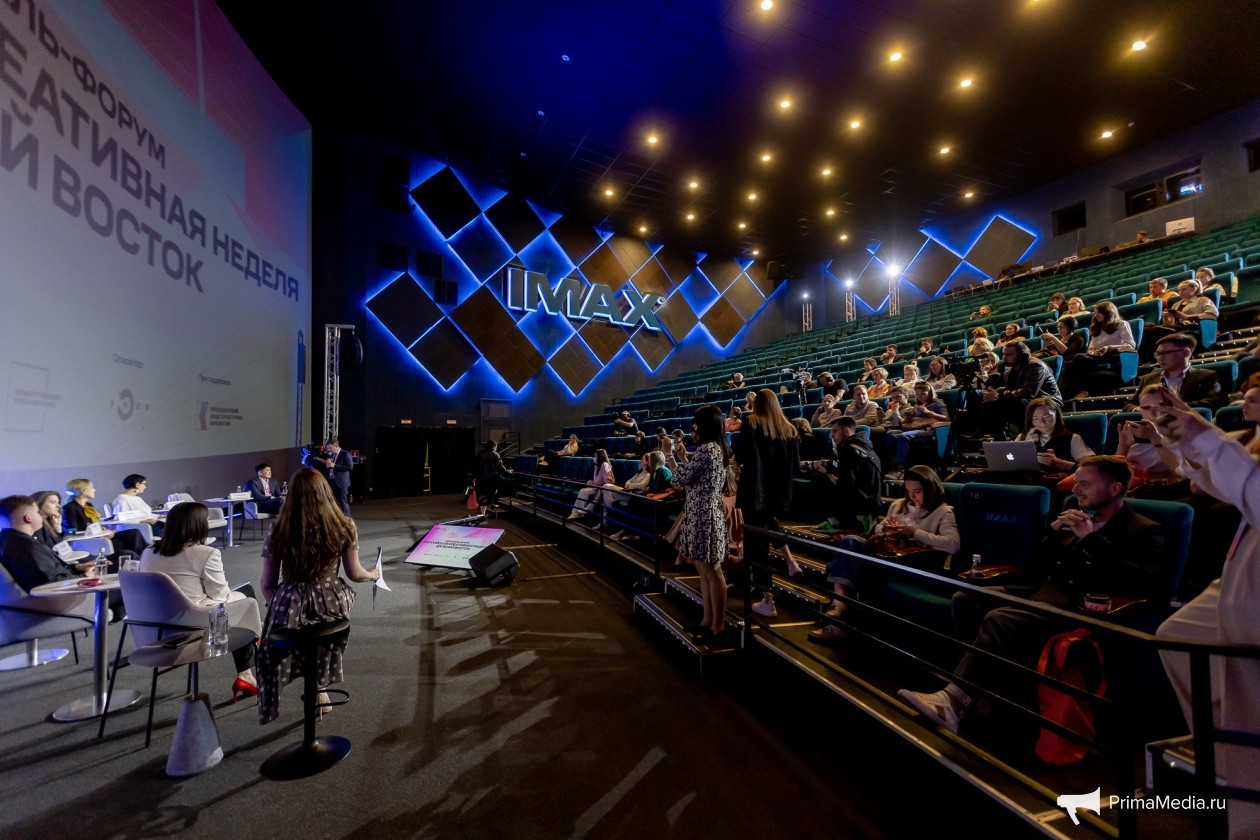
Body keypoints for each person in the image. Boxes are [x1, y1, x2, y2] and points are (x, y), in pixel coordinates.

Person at [898, 456, 1168, 733]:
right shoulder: (1079, 518)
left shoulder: (1144, 530)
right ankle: (982, 695)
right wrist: (1052, 531)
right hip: (1044, 592)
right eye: (1077, 483)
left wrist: (1090, 539)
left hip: (1081, 607)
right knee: (965, 598)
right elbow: (1033, 566)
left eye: (1084, 484)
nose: (1076, 489)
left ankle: (954, 701)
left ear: (1115, 489)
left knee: (999, 619)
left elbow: (1141, 582)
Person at [1151, 389, 1260, 839]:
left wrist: (1207, 438)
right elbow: (1232, 489)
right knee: (1179, 638)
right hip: (1244, 563)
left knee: (1250, 693)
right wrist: (1186, 441)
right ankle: (1222, 751)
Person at [256, 468, 379, 725]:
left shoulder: (278, 529)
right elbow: (354, 573)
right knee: (321, 629)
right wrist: (373, 574)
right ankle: (319, 685)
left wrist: (279, 607)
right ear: (326, 493)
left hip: (288, 602)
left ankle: (297, 688)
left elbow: (267, 584)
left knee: (287, 632)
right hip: (331, 602)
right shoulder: (345, 526)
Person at [810, 466, 959, 642]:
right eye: (908, 491)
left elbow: (953, 544)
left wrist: (914, 532)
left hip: (911, 563)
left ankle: (839, 625)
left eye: (917, 492)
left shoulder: (943, 512)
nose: (912, 497)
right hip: (885, 553)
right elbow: (880, 527)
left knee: (855, 569)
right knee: (850, 542)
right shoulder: (899, 505)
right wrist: (884, 530)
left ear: (930, 489)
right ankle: (838, 603)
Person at [140, 502, 263, 700]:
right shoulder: (206, 553)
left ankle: (251, 654)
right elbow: (220, 596)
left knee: (244, 605)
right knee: (246, 598)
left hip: (152, 627)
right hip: (195, 626)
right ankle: (251, 652)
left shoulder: (149, 552)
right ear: (197, 524)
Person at [734, 390, 801, 620]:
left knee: (757, 546)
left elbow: (741, 454)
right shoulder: (790, 429)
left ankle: (768, 600)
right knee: (769, 522)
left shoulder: (751, 422)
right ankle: (790, 561)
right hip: (778, 492)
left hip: (754, 489)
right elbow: (795, 466)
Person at [666, 405, 731, 640]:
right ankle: (707, 621)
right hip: (702, 513)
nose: (692, 429)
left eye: (695, 425)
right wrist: (684, 458)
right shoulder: (715, 449)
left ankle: (718, 625)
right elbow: (696, 477)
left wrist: (669, 456)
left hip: (704, 516)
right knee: (704, 571)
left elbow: (679, 479)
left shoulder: (707, 450)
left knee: (712, 571)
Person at [805, 417, 881, 533]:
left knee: (819, 478)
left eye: (835, 431)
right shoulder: (866, 447)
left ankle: (834, 522)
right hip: (872, 501)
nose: (832, 436)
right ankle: (863, 518)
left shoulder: (849, 449)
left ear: (846, 431)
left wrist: (827, 473)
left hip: (861, 502)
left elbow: (845, 485)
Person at [979, 341, 1062, 439]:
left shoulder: (1035, 366)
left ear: (1022, 356)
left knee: (1014, 403)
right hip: (1027, 400)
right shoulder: (1010, 371)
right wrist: (996, 392)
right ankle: (1000, 440)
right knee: (988, 403)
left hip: (1048, 402)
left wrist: (998, 396)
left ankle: (1027, 438)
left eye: (1009, 355)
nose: (1004, 358)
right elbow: (1011, 391)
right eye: (1004, 354)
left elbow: (1029, 392)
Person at [1123, 333, 1225, 412]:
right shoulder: (1148, 379)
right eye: (1157, 354)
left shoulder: (1207, 376)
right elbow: (1129, 405)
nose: (1159, 358)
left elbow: (1213, 402)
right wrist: (1139, 409)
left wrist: (1173, 407)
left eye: (1165, 353)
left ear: (1186, 352)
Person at [1057, 300, 1137, 401]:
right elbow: (1091, 349)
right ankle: (1061, 394)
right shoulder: (1097, 329)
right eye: (1095, 313)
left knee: (1078, 358)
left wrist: (1110, 348)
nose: (1096, 315)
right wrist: (1094, 352)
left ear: (1108, 312)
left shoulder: (1122, 324)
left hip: (1114, 356)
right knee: (1070, 364)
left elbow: (1129, 345)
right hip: (1097, 357)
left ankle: (1080, 390)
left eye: (1099, 313)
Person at [62, 478, 147, 557]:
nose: (94, 490)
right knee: (123, 542)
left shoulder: (88, 505)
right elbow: (71, 532)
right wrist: (99, 535)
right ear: (82, 490)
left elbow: (95, 525)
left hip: (99, 536)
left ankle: (145, 557)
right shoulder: (70, 508)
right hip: (89, 541)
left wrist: (104, 532)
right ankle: (144, 559)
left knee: (134, 533)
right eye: (91, 488)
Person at [1140, 279, 1220, 360]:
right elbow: (1170, 325)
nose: (1180, 292)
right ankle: (1143, 360)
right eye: (1179, 290)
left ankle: (1152, 359)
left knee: (1157, 330)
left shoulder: (1203, 300)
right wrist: (1166, 317)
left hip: (1193, 328)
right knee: (1146, 329)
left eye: (1183, 289)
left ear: (1194, 289)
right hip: (1177, 327)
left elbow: (1212, 314)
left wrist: (1186, 317)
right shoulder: (1176, 304)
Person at [884, 381, 950, 479]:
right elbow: (906, 420)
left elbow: (947, 419)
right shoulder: (918, 405)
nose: (920, 397)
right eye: (918, 395)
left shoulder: (938, 403)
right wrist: (907, 419)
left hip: (930, 430)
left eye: (923, 394)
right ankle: (893, 466)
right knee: (890, 434)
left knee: (904, 436)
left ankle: (901, 470)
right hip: (915, 428)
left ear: (930, 392)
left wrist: (929, 412)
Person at [1016, 397, 1094, 473]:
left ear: (1056, 415)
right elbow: (1012, 463)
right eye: (1035, 418)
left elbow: (1091, 467)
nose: (1042, 422)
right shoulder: (1022, 437)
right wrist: (1025, 446)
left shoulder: (1071, 438)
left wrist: (1059, 463)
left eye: (1046, 417)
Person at [29, 491, 97, 574]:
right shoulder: (37, 527)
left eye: (58, 502)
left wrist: (58, 528)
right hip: (56, 567)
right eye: (53, 502)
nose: (58, 506)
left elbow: (61, 546)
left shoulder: (51, 522)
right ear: (38, 504)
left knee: (98, 560)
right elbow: (53, 549)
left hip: (63, 563)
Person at [475, 440, 510, 514]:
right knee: (493, 492)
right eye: (496, 446)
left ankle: (483, 513)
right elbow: (500, 466)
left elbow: (475, 466)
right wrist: (507, 471)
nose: (496, 448)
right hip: (491, 479)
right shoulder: (495, 454)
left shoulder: (480, 453)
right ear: (493, 446)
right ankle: (491, 503)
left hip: (481, 479)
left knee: (482, 495)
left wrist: (474, 477)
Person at [321, 438, 354, 515]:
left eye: (330, 448)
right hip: (332, 481)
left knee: (343, 501)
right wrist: (327, 466)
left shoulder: (345, 454)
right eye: (328, 448)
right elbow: (330, 467)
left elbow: (350, 467)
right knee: (332, 501)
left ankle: (346, 519)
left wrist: (335, 466)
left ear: (336, 446)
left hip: (342, 482)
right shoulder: (332, 455)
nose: (329, 450)